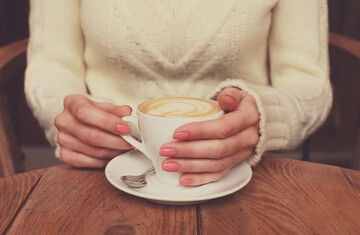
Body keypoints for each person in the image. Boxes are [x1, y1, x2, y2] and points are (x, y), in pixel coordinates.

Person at [25, 0, 332, 186]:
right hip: (100, 171)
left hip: (249, 173)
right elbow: (50, 70)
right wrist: (70, 119)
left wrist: (266, 118)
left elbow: (309, 85)